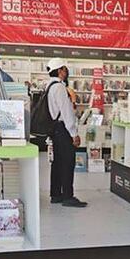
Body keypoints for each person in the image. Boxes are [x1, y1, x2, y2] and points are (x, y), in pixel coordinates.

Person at [45, 57, 87, 208]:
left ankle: (56, 194)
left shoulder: (49, 86)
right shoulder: (60, 88)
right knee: (68, 162)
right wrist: (74, 133)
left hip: (55, 128)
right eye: (65, 68)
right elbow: (67, 112)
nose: (66, 71)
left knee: (57, 162)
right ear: (60, 71)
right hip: (63, 129)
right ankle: (68, 196)